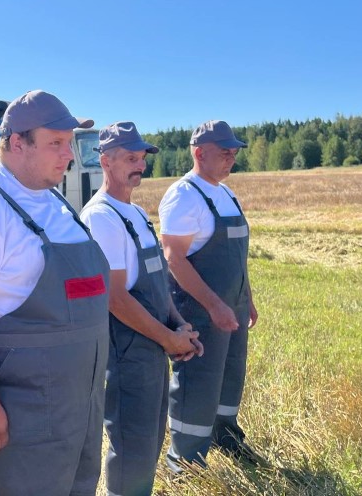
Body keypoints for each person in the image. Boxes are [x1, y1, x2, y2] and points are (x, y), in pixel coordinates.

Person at [0, 90, 109, 496]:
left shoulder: (56, 202)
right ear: (17, 143)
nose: (68, 154)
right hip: (22, 419)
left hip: (79, 411)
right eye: (55, 143)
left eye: (69, 143)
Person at [80, 121, 203, 496]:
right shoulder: (101, 217)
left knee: (149, 442)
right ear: (105, 161)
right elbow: (116, 298)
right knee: (132, 446)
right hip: (127, 354)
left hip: (153, 347)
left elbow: (158, 281)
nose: (141, 165)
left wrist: (179, 325)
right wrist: (169, 339)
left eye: (142, 158)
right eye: (131, 158)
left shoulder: (134, 213)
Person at [158, 120, 259, 471]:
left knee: (230, 374)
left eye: (235, 152)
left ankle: (226, 439)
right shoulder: (184, 196)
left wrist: (247, 298)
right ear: (200, 153)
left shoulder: (226, 194)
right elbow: (174, 258)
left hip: (233, 306)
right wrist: (214, 305)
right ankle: (185, 463)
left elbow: (237, 258)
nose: (232, 158)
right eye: (225, 152)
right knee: (198, 382)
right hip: (199, 311)